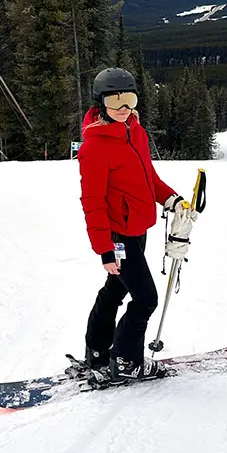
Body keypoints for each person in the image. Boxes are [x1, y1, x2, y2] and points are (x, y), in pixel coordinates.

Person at [77, 67, 188, 383]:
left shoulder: (135, 132)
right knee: (145, 299)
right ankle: (125, 361)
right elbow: (93, 203)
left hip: (137, 230)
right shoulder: (94, 147)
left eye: (129, 99)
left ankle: (97, 352)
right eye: (115, 101)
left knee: (114, 291)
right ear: (101, 104)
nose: (124, 108)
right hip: (117, 238)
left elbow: (148, 179)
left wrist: (172, 200)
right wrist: (105, 250)